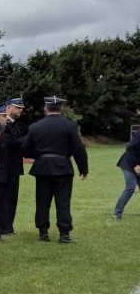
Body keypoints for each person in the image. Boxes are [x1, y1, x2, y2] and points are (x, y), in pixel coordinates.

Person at [22, 96, 89, 243]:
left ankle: (43, 232)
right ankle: (64, 234)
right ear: (61, 109)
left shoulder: (35, 127)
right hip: (62, 166)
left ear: (45, 108)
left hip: (42, 168)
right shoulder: (70, 126)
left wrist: (40, 156)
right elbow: (78, 148)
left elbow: (25, 149)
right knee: (63, 201)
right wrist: (83, 168)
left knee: (42, 201)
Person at [0, 97, 25, 235]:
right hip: (6, 167)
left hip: (14, 167)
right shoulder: (4, 124)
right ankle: (4, 227)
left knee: (12, 198)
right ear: (8, 108)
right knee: (6, 199)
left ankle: (8, 226)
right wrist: (28, 139)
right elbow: (9, 144)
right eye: (18, 107)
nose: (21, 110)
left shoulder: (14, 124)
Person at [113, 129, 140, 219]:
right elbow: (130, 148)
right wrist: (135, 165)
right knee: (130, 188)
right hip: (129, 163)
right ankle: (117, 213)